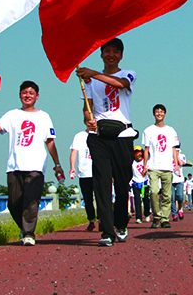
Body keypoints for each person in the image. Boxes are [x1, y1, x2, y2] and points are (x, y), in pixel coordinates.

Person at [0, 81, 64, 246]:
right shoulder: (12, 115)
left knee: (31, 201)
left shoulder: (43, 116)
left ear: (37, 96)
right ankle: (24, 227)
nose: (27, 96)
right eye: (25, 92)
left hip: (36, 166)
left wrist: (57, 164)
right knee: (13, 203)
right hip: (15, 165)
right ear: (20, 95)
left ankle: (28, 234)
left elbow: (50, 142)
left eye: (31, 93)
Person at [77, 38, 138, 247]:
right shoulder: (90, 82)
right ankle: (107, 231)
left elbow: (121, 85)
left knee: (122, 187)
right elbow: (88, 107)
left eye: (115, 52)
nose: (111, 55)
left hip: (123, 135)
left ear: (120, 55)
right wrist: (88, 119)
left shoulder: (127, 73)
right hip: (99, 136)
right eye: (107, 51)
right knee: (101, 183)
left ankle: (121, 223)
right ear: (101, 54)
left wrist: (93, 73)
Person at [142, 104, 180, 228]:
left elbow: (174, 149)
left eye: (161, 112)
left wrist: (176, 165)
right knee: (153, 192)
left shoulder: (170, 130)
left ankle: (164, 218)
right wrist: (144, 165)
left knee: (167, 194)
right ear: (154, 114)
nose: (159, 114)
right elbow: (146, 149)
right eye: (157, 112)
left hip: (167, 166)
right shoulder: (148, 130)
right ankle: (156, 216)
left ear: (165, 114)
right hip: (153, 166)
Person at [69, 127, 96, 231]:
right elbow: (74, 152)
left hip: (98, 172)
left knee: (100, 197)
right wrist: (72, 167)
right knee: (88, 198)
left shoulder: (100, 134)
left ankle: (103, 220)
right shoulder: (79, 136)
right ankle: (91, 220)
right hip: (84, 173)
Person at [130, 146, 151, 224]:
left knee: (145, 199)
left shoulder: (145, 161)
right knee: (137, 200)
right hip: (135, 182)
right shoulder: (132, 162)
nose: (137, 153)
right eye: (135, 152)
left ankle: (147, 214)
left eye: (138, 151)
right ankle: (138, 217)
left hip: (144, 182)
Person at [172, 150, 187, 221]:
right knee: (172, 198)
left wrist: (176, 156)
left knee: (180, 196)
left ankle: (180, 210)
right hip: (171, 180)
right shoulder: (168, 156)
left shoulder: (182, 156)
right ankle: (174, 214)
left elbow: (181, 163)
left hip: (179, 180)